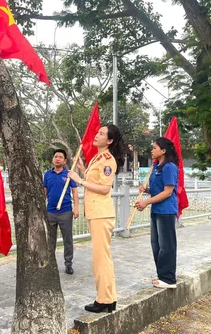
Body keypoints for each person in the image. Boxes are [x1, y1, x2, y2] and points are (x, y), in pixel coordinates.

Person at [68, 125, 125, 314]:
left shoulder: (108, 160)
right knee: (100, 258)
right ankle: (107, 298)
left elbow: (104, 188)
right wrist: (84, 170)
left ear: (109, 141)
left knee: (102, 259)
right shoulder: (97, 158)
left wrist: (79, 180)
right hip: (95, 213)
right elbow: (95, 181)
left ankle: (106, 299)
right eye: (98, 131)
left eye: (101, 133)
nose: (97, 134)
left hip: (102, 213)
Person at [135, 137, 179, 289]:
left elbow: (167, 192)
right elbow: (157, 189)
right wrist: (145, 190)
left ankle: (169, 279)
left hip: (166, 211)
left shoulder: (169, 167)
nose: (152, 150)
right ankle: (162, 276)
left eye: (154, 147)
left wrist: (146, 202)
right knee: (156, 244)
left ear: (164, 150)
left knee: (167, 245)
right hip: (157, 210)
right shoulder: (156, 167)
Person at [43, 149, 79, 275]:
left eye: (60, 157)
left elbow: (74, 191)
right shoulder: (47, 174)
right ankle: (51, 265)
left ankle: (68, 264)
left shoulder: (69, 175)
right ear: (53, 159)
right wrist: (42, 207)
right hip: (50, 212)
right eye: (56, 156)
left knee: (67, 239)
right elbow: (45, 191)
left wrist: (76, 208)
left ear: (64, 161)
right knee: (50, 240)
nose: (57, 158)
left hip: (65, 211)